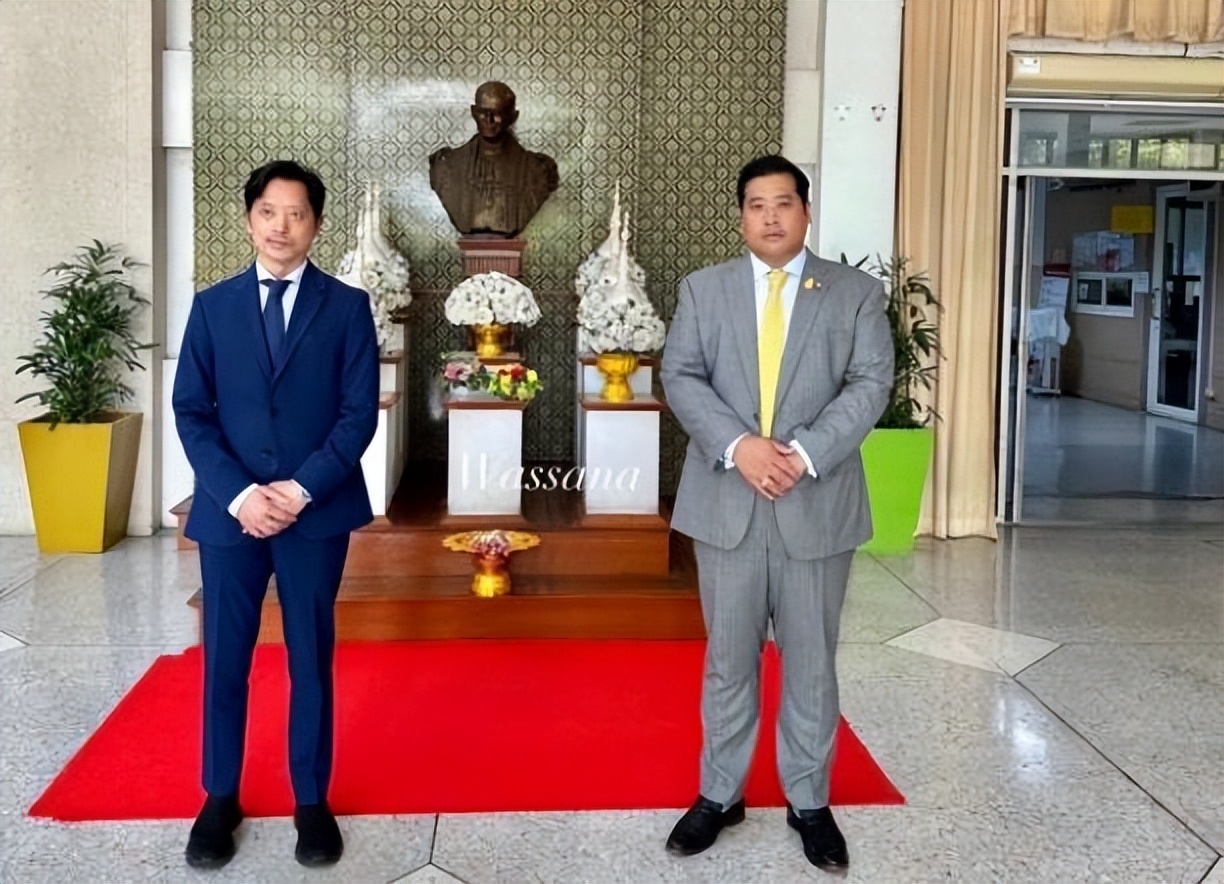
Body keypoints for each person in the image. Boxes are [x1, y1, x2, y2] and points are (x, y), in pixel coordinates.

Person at [660, 154, 893, 871]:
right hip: (727, 502)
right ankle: (719, 793)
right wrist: (740, 446)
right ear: (741, 216)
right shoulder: (703, 290)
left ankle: (809, 802)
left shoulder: (855, 294)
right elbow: (680, 375)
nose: (770, 216)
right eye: (756, 204)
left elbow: (870, 382)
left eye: (784, 203)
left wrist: (803, 453)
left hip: (814, 501)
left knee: (812, 662)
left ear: (806, 212)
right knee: (728, 660)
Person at [173, 160, 380, 870]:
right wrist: (240, 495)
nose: (281, 226)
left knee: (309, 657)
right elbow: (192, 412)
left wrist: (299, 490)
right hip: (230, 514)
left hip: (313, 514)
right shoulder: (212, 307)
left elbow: (357, 414)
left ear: (316, 224)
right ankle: (218, 796)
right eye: (268, 211)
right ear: (249, 219)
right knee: (224, 658)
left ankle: (311, 800)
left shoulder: (347, 307)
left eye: (296, 214)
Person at [428, 80, 559, 237]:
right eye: (483, 112)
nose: (489, 120)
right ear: (473, 112)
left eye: (497, 113)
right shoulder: (447, 165)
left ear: (512, 117)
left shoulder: (537, 170)